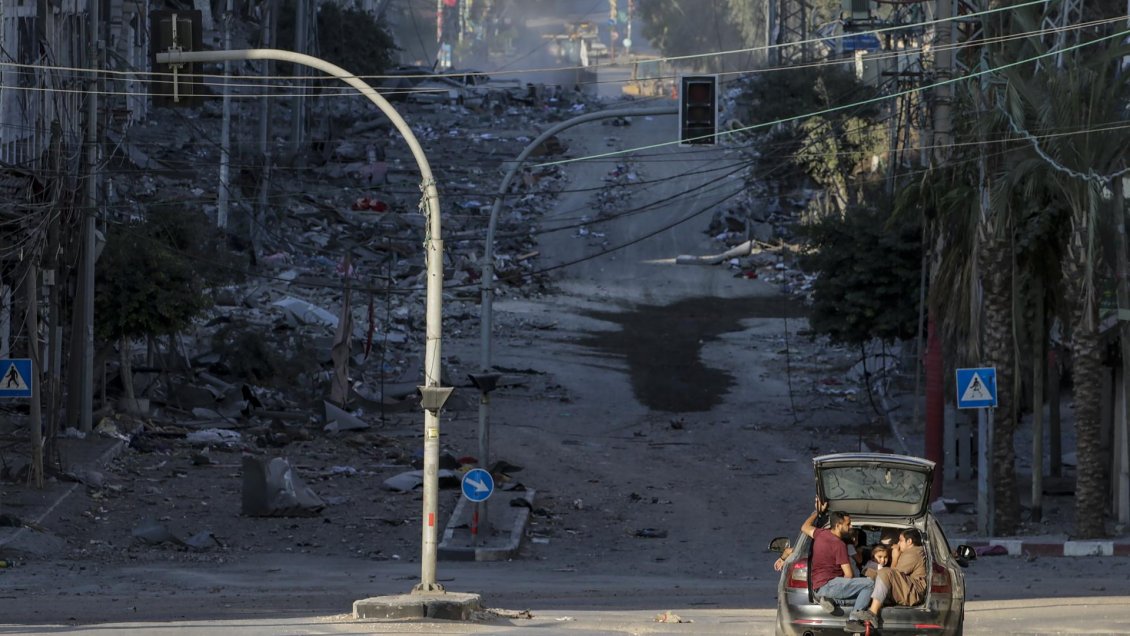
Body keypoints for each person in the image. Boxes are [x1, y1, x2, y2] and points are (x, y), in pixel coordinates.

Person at [801, 498, 874, 615]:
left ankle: (831, 601)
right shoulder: (839, 544)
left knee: (866, 599)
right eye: (848, 524)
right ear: (838, 525)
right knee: (870, 584)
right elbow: (849, 574)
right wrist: (850, 587)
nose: (851, 526)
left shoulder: (820, 533)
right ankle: (854, 618)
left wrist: (817, 512)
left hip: (818, 589)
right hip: (831, 586)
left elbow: (804, 527)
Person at [851, 528, 928, 627]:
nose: (898, 544)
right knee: (874, 577)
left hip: (913, 593)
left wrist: (895, 557)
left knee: (884, 572)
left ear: (909, 541)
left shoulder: (913, 553)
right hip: (907, 589)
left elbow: (894, 574)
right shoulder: (912, 552)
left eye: (900, 540)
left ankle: (872, 613)